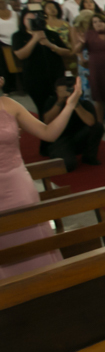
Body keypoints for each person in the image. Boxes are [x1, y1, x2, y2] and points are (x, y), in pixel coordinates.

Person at [0, 75, 83, 278]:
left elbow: (48, 133)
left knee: (34, 243)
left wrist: (70, 105)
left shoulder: (9, 105)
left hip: (17, 187)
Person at [13, 9, 72, 115]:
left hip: (56, 76)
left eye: (35, 19)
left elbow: (67, 52)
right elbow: (21, 55)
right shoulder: (18, 36)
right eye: (29, 19)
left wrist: (50, 45)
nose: (33, 21)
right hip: (34, 78)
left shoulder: (51, 34)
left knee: (63, 106)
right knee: (43, 108)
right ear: (23, 20)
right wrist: (35, 39)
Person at [41, 75, 104, 170]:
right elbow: (46, 121)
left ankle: (89, 157)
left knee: (98, 126)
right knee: (68, 165)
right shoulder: (51, 102)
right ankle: (60, 154)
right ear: (56, 92)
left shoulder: (84, 104)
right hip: (59, 139)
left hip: (77, 137)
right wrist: (60, 101)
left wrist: (74, 103)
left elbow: (91, 123)